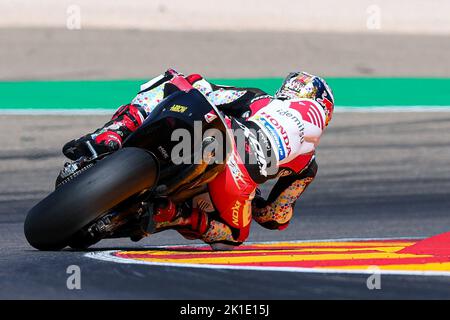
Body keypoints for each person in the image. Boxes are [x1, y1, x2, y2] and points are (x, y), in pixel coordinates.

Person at [62, 69, 334, 249]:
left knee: (173, 79)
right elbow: (273, 216)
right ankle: (174, 216)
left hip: (217, 134)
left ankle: (111, 133)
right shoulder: (306, 165)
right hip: (237, 180)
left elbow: (206, 90)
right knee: (234, 236)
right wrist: (257, 197)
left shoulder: (258, 99)